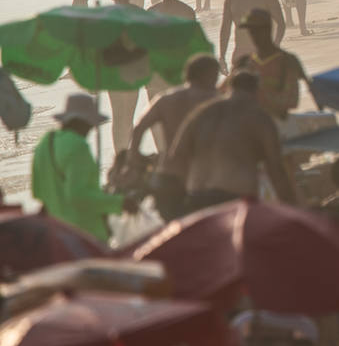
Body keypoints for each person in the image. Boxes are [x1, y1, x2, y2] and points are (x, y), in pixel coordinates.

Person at [164, 71, 298, 215]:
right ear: (257, 91)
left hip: (197, 197)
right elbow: (276, 170)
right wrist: (293, 209)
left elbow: (176, 156)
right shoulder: (259, 117)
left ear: (229, 88)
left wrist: (175, 201)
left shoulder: (202, 112)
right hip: (237, 200)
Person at [31, 94, 130, 240]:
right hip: (85, 234)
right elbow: (78, 196)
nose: (91, 129)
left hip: (55, 234)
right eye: (90, 124)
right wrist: (120, 202)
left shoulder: (45, 143)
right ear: (81, 122)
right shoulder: (78, 146)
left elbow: (37, 191)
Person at [133, 54, 220, 187]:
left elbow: (139, 128)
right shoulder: (218, 100)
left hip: (170, 174)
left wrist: (135, 157)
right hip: (208, 175)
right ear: (210, 76)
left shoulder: (165, 99)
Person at [234, 8, 314, 121]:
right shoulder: (244, 62)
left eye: (257, 30)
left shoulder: (287, 61)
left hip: (277, 124)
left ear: (268, 30)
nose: (253, 35)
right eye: (251, 31)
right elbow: (224, 93)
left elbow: (292, 100)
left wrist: (257, 93)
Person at [219, 0, 285, 72]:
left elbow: (281, 23)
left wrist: (275, 47)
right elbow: (225, 30)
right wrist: (222, 57)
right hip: (240, 55)